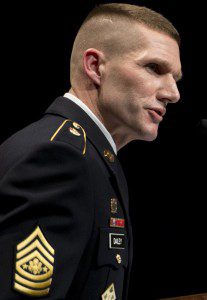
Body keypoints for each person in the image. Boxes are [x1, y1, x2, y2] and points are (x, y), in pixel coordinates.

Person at [0, 3, 181, 299]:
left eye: (175, 78)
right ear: (95, 66)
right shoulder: (59, 158)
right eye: (154, 68)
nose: (173, 93)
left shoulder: (91, 156)